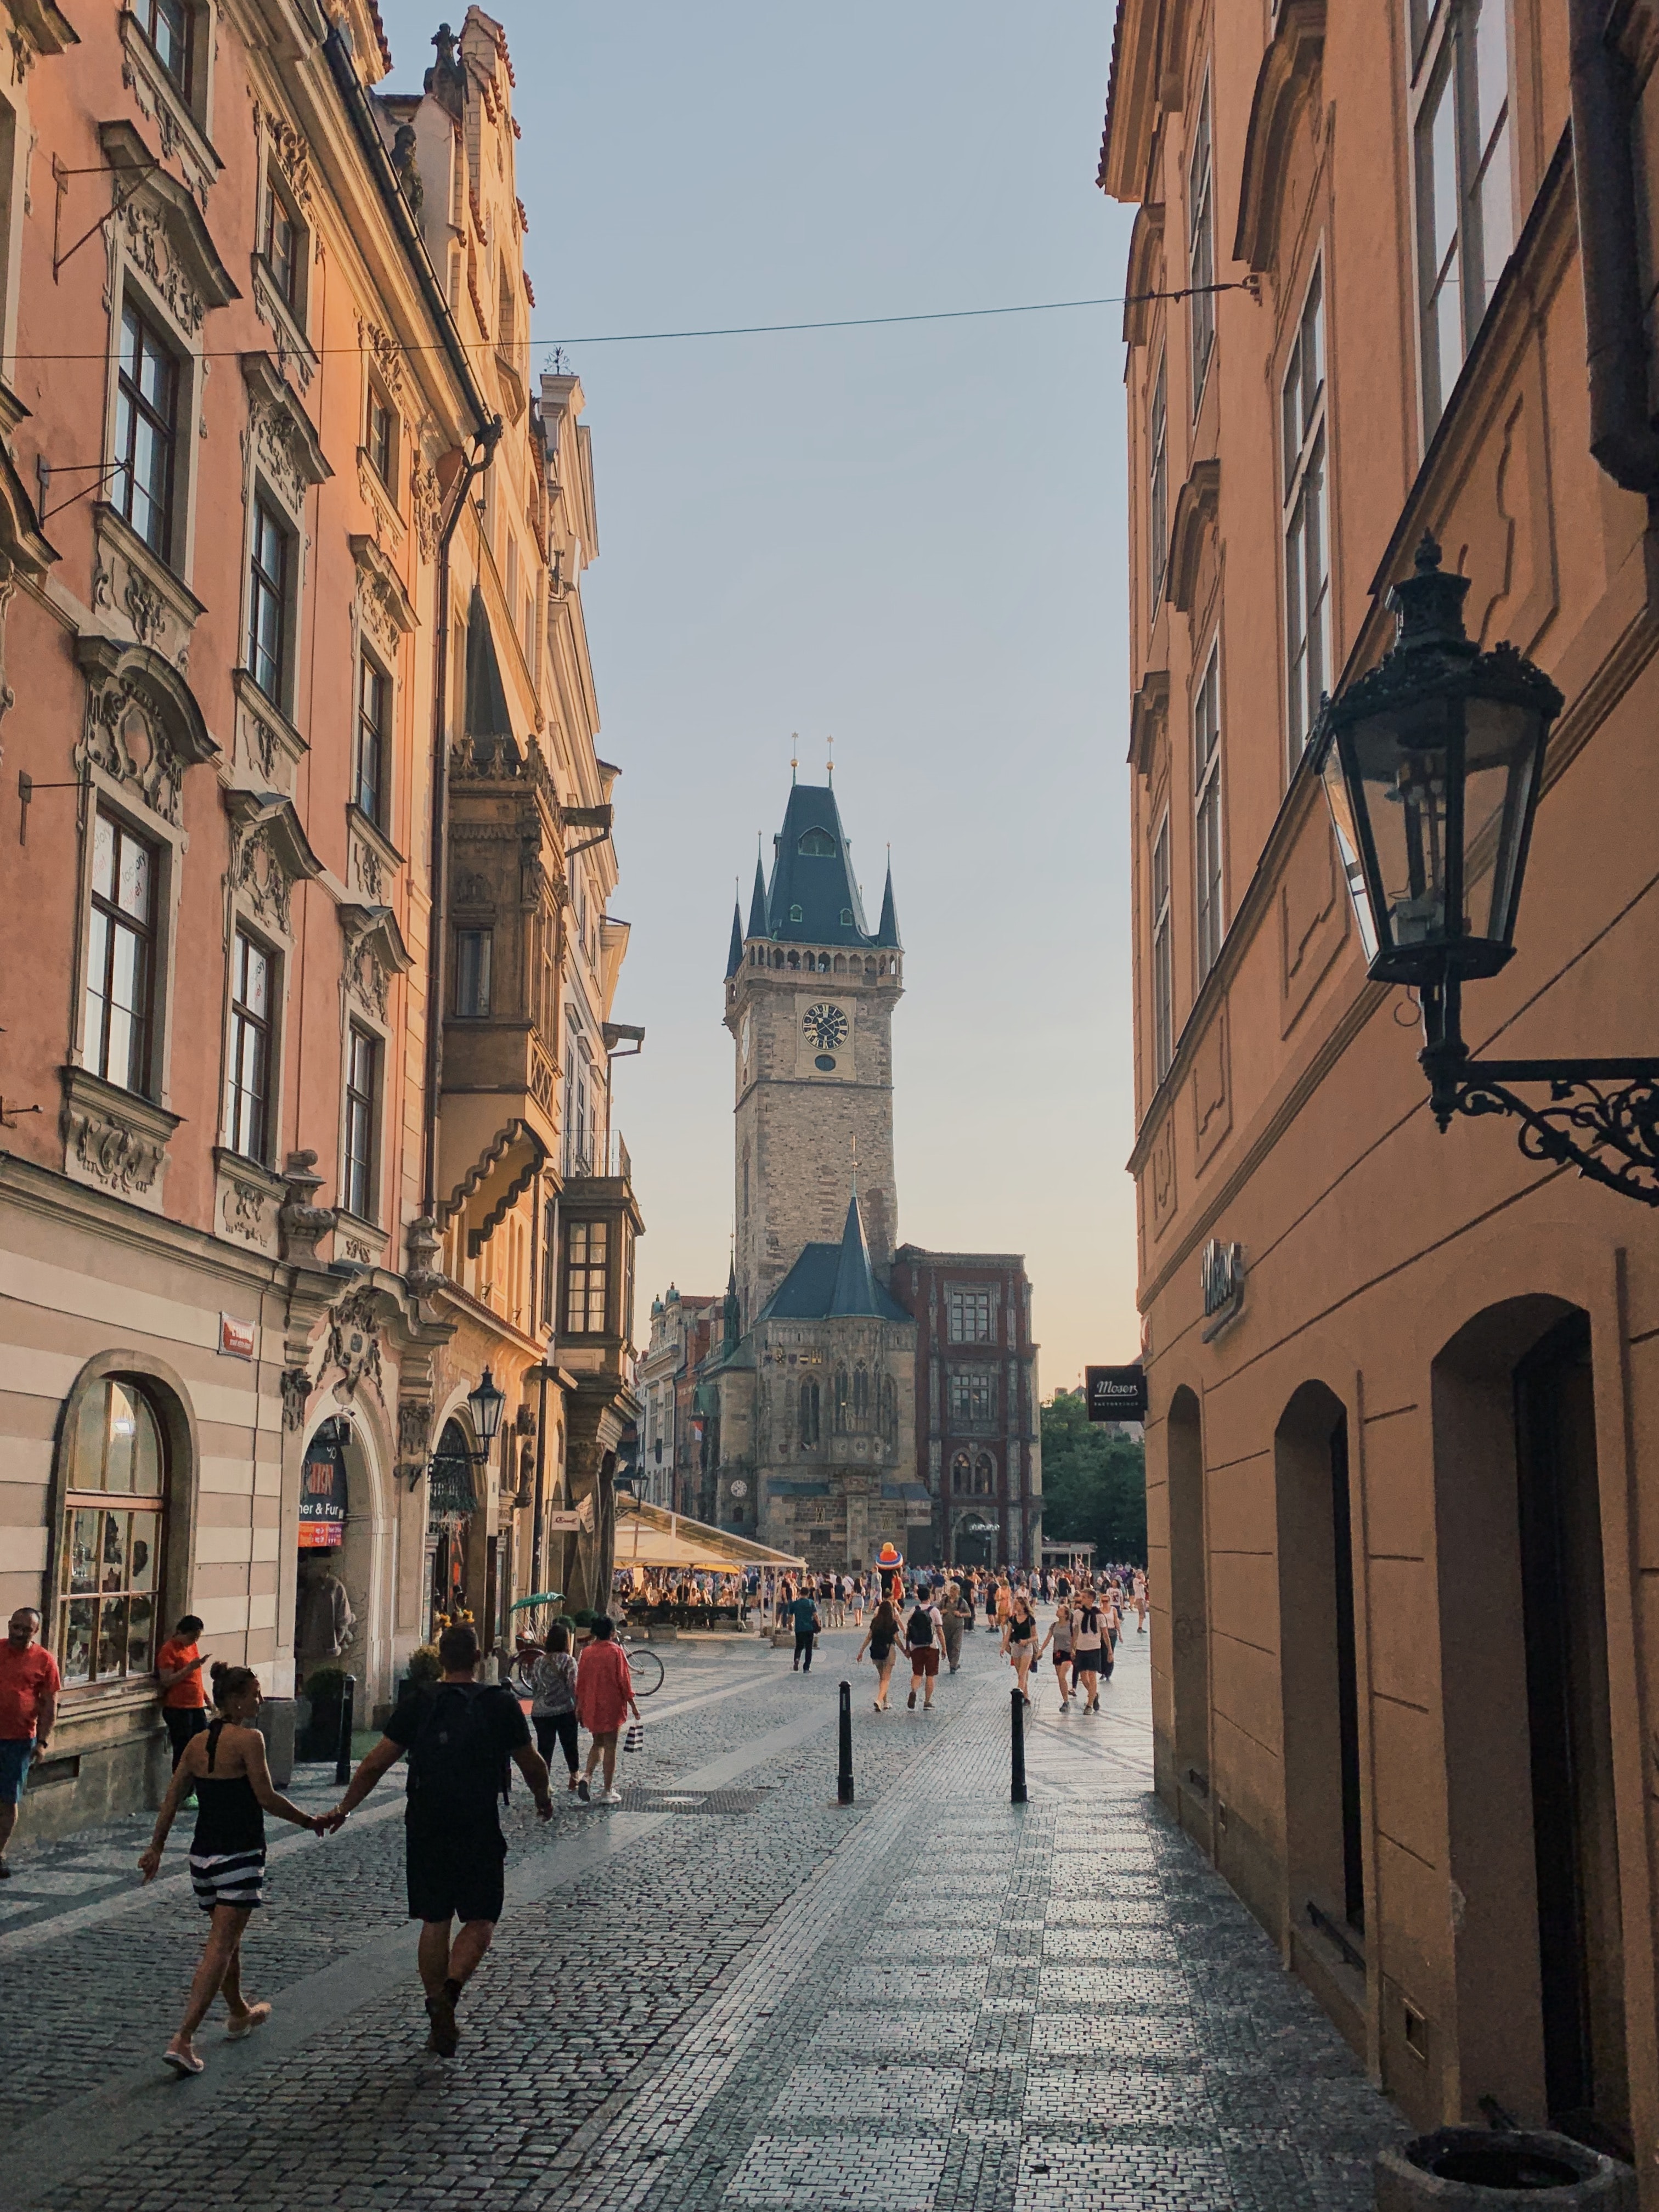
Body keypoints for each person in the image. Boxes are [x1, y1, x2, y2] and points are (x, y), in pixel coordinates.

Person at [326, 1622, 552, 2057]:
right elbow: (532, 1763)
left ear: (441, 1659)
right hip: (477, 1821)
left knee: (435, 1919)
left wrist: (345, 1808)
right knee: (482, 1917)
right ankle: (449, 1993)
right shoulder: (500, 1704)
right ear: (479, 1657)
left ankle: (434, 2007)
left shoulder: (419, 1702)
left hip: (426, 1820)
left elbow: (374, 1763)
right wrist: (543, 1798)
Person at [139, 1662, 324, 2074]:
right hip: (238, 1855)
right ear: (236, 1700)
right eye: (255, 1693)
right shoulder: (249, 1739)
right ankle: (183, 2038)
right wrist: (309, 1821)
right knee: (220, 1948)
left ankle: (240, 2013)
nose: (260, 1700)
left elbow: (171, 1799)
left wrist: (156, 1847)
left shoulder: (196, 1743)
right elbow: (266, 1797)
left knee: (228, 1942)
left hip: (201, 1858)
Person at [0, 1607, 59, 1877]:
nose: (19, 1633)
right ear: (10, 1625)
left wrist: (43, 1742)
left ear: (35, 1632)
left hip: (20, 1740)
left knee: (8, 1799)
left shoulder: (45, 1661)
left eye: (26, 1629)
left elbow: (49, 1705)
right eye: (16, 1627)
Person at [575, 1615, 640, 1803]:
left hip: (592, 1705)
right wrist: (633, 1706)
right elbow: (624, 1682)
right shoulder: (616, 1652)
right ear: (612, 1633)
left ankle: (587, 1775)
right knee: (611, 1747)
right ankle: (607, 1790)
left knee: (598, 1743)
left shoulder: (586, 1653)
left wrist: (579, 1707)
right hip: (611, 1705)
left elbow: (581, 1683)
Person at [527, 1623, 580, 1791]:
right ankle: (574, 1777)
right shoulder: (569, 1661)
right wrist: (578, 1706)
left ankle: (545, 1783)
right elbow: (573, 1686)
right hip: (565, 1710)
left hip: (541, 1712)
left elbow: (534, 1685)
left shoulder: (538, 1661)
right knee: (570, 1744)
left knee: (545, 1747)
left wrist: (542, 1699)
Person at [156, 1614, 211, 1768]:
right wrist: (188, 1668)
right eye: (193, 1637)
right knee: (183, 1750)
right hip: (179, 1708)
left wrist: (207, 1700)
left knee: (202, 1746)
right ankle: (182, 1787)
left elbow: (197, 1678)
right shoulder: (169, 1650)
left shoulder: (192, 1647)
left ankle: (196, 1784)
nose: (195, 1641)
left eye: (198, 1637)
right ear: (181, 1632)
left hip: (196, 1705)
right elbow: (166, 1681)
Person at [857, 1596, 901, 1711]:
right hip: (888, 1650)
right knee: (886, 1679)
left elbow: (869, 1637)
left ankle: (885, 1702)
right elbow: (896, 1638)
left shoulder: (875, 1622)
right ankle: (879, 1700)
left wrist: (861, 1651)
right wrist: (905, 1651)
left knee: (882, 1678)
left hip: (876, 1650)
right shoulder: (892, 1622)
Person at [902, 1588, 943, 1712]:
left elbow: (908, 1631)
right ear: (929, 1596)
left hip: (916, 1647)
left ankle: (914, 1691)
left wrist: (908, 1648)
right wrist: (945, 1649)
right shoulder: (934, 1611)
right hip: (931, 1646)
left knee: (917, 1674)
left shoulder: (914, 1610)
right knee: (930, 1675)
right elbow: (940, 1631)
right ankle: (927, 1701)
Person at [1071, 1590, 1105, 1713]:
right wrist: (1073, 1648)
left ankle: (1090, 1705)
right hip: (1081, 1647)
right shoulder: (1077, 1613)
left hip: (1095, 1647)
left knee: (1092, 1675)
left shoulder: (1099, 1615)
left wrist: (1110, 1651)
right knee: (1083, 1677)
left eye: (1085, 1597)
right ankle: (1094, 1694)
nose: (1082, 1599)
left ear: (1091, 1600)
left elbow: (1105, 1633)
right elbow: (1075, 1631)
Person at [1003, 1590, 1037, 1704]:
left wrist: (1027, 1641)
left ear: (1023, 1605)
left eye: (1017, 1603)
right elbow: (1008, 1633)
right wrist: (1004, 1646)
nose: (1015, 1605)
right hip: (1016, 1647)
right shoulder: (1013, 1619)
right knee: (1021, 1675)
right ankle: (1026, 1696)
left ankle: (1018, 1697)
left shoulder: (1030, 1619)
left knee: (1022, 1674)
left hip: (1027, 1647)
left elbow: (1035, 1636)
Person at [1040, 1600, 1075, 1709]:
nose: (1057, 1611)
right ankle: (1066, 1701)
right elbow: (1048, 1639)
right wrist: (1041, 1650)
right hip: (1057, 1653)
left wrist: (1074, 1649)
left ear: (1065, 1614)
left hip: (1068, 1653)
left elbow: (1076, 1638)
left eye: (1060, 1610)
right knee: (1060, 1679)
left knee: (1062, 1676)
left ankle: (1066, 1702)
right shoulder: (1054, 1625)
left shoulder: (1071, 1626)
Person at [788, 1585, 821, 1674]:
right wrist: (819, 1624)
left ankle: (797, 1659)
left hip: (799, 1628)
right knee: (809, 1648)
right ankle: (806, 1668)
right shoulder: (811, 1603)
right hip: (809, 1628)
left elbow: (790, 1616)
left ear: (800, 1593)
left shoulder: (795, 1604)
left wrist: (790, 1625)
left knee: (799, 1646)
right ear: (808, 1594)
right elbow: (815, 1615)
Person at [939, 1581, 967, 1674]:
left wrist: (961, 1614)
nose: (953, 1591)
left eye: (955, 1590)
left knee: (956, 1645)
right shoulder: (944, 1600)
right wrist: (942, 1612)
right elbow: (937, 1610)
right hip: (946, 1626)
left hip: (958, 1626)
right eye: (952, 1589)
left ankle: (953, 1666)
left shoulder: (962, 1602)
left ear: (958, 1591)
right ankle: (953, 1663)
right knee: (948, 1645)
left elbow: (969, 1613)